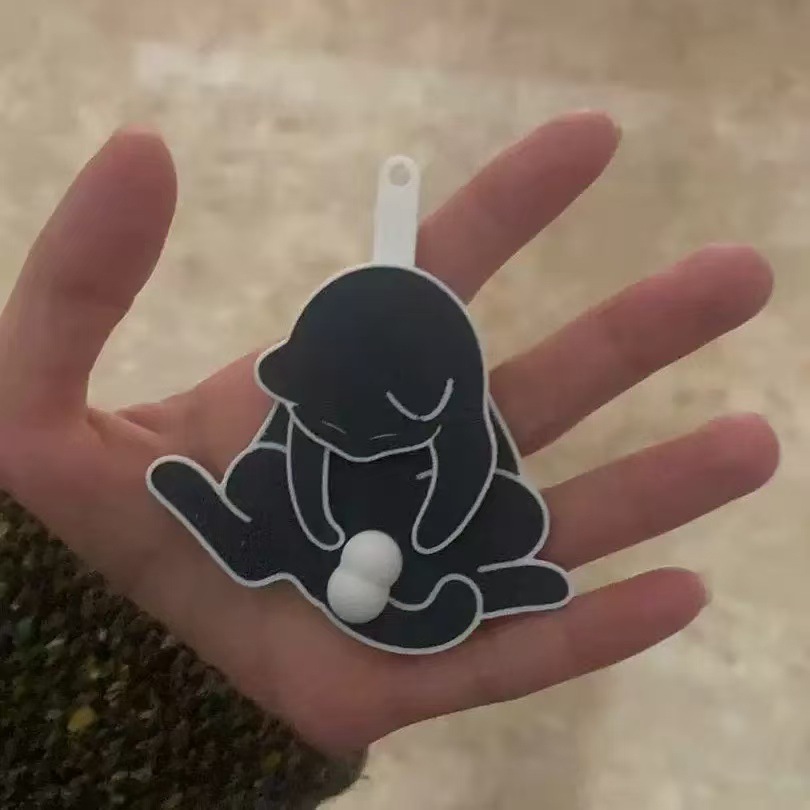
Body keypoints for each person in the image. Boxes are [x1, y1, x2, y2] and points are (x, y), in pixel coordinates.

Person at [0, 111, 778, 756]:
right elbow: (301, 452)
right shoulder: (309, 409)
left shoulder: (458, 419)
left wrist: (430, 539)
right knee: (267, 473)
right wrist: (313, 528)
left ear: (434, 405)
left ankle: (482, 585)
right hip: (312, 537)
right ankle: (250, 543)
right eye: (319, 412)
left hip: (410, 538)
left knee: (508, 517)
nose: (332, 431)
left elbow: (466, 472)